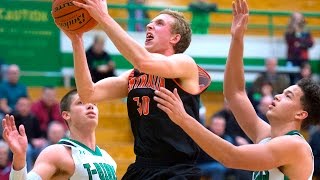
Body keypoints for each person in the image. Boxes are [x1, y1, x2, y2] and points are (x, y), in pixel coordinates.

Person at [154, 0, 320, 179]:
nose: (278, 95)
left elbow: (230, 156)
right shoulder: (267, 136)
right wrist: (237, 39)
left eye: (288, 96)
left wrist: (184, 119)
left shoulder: (295, 145)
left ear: (300, 114)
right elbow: (235, 94)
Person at [56, 0, 211, 178]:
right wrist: (77, 41)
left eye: (159, 23)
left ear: (175, 38)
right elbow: (88, 93)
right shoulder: (133, 75)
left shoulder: (185, 63)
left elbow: (143, 61)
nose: (149, 26)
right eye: (150, 23)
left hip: (176, 169)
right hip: (142, 167)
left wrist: (103, 17)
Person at [3, 89, 117, 179]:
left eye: (94, 103)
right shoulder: (57, 153)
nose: (90, 106)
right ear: (66, 115)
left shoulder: (108, 158)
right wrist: (19, 156)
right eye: (80, 102)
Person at [13, 97, 45, 171]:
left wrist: (41, 140)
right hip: (17, 145)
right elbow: (14, 136)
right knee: (28, 149)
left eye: (26, 105)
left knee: (45, 146)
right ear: (17, 106)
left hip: (33, 144)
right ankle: (28, 174)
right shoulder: (13, 117)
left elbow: (38, 134)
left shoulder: (33, 118)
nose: (24, 108)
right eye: (21, 105)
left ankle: (42, 172)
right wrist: (32, 141)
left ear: (30, 107)